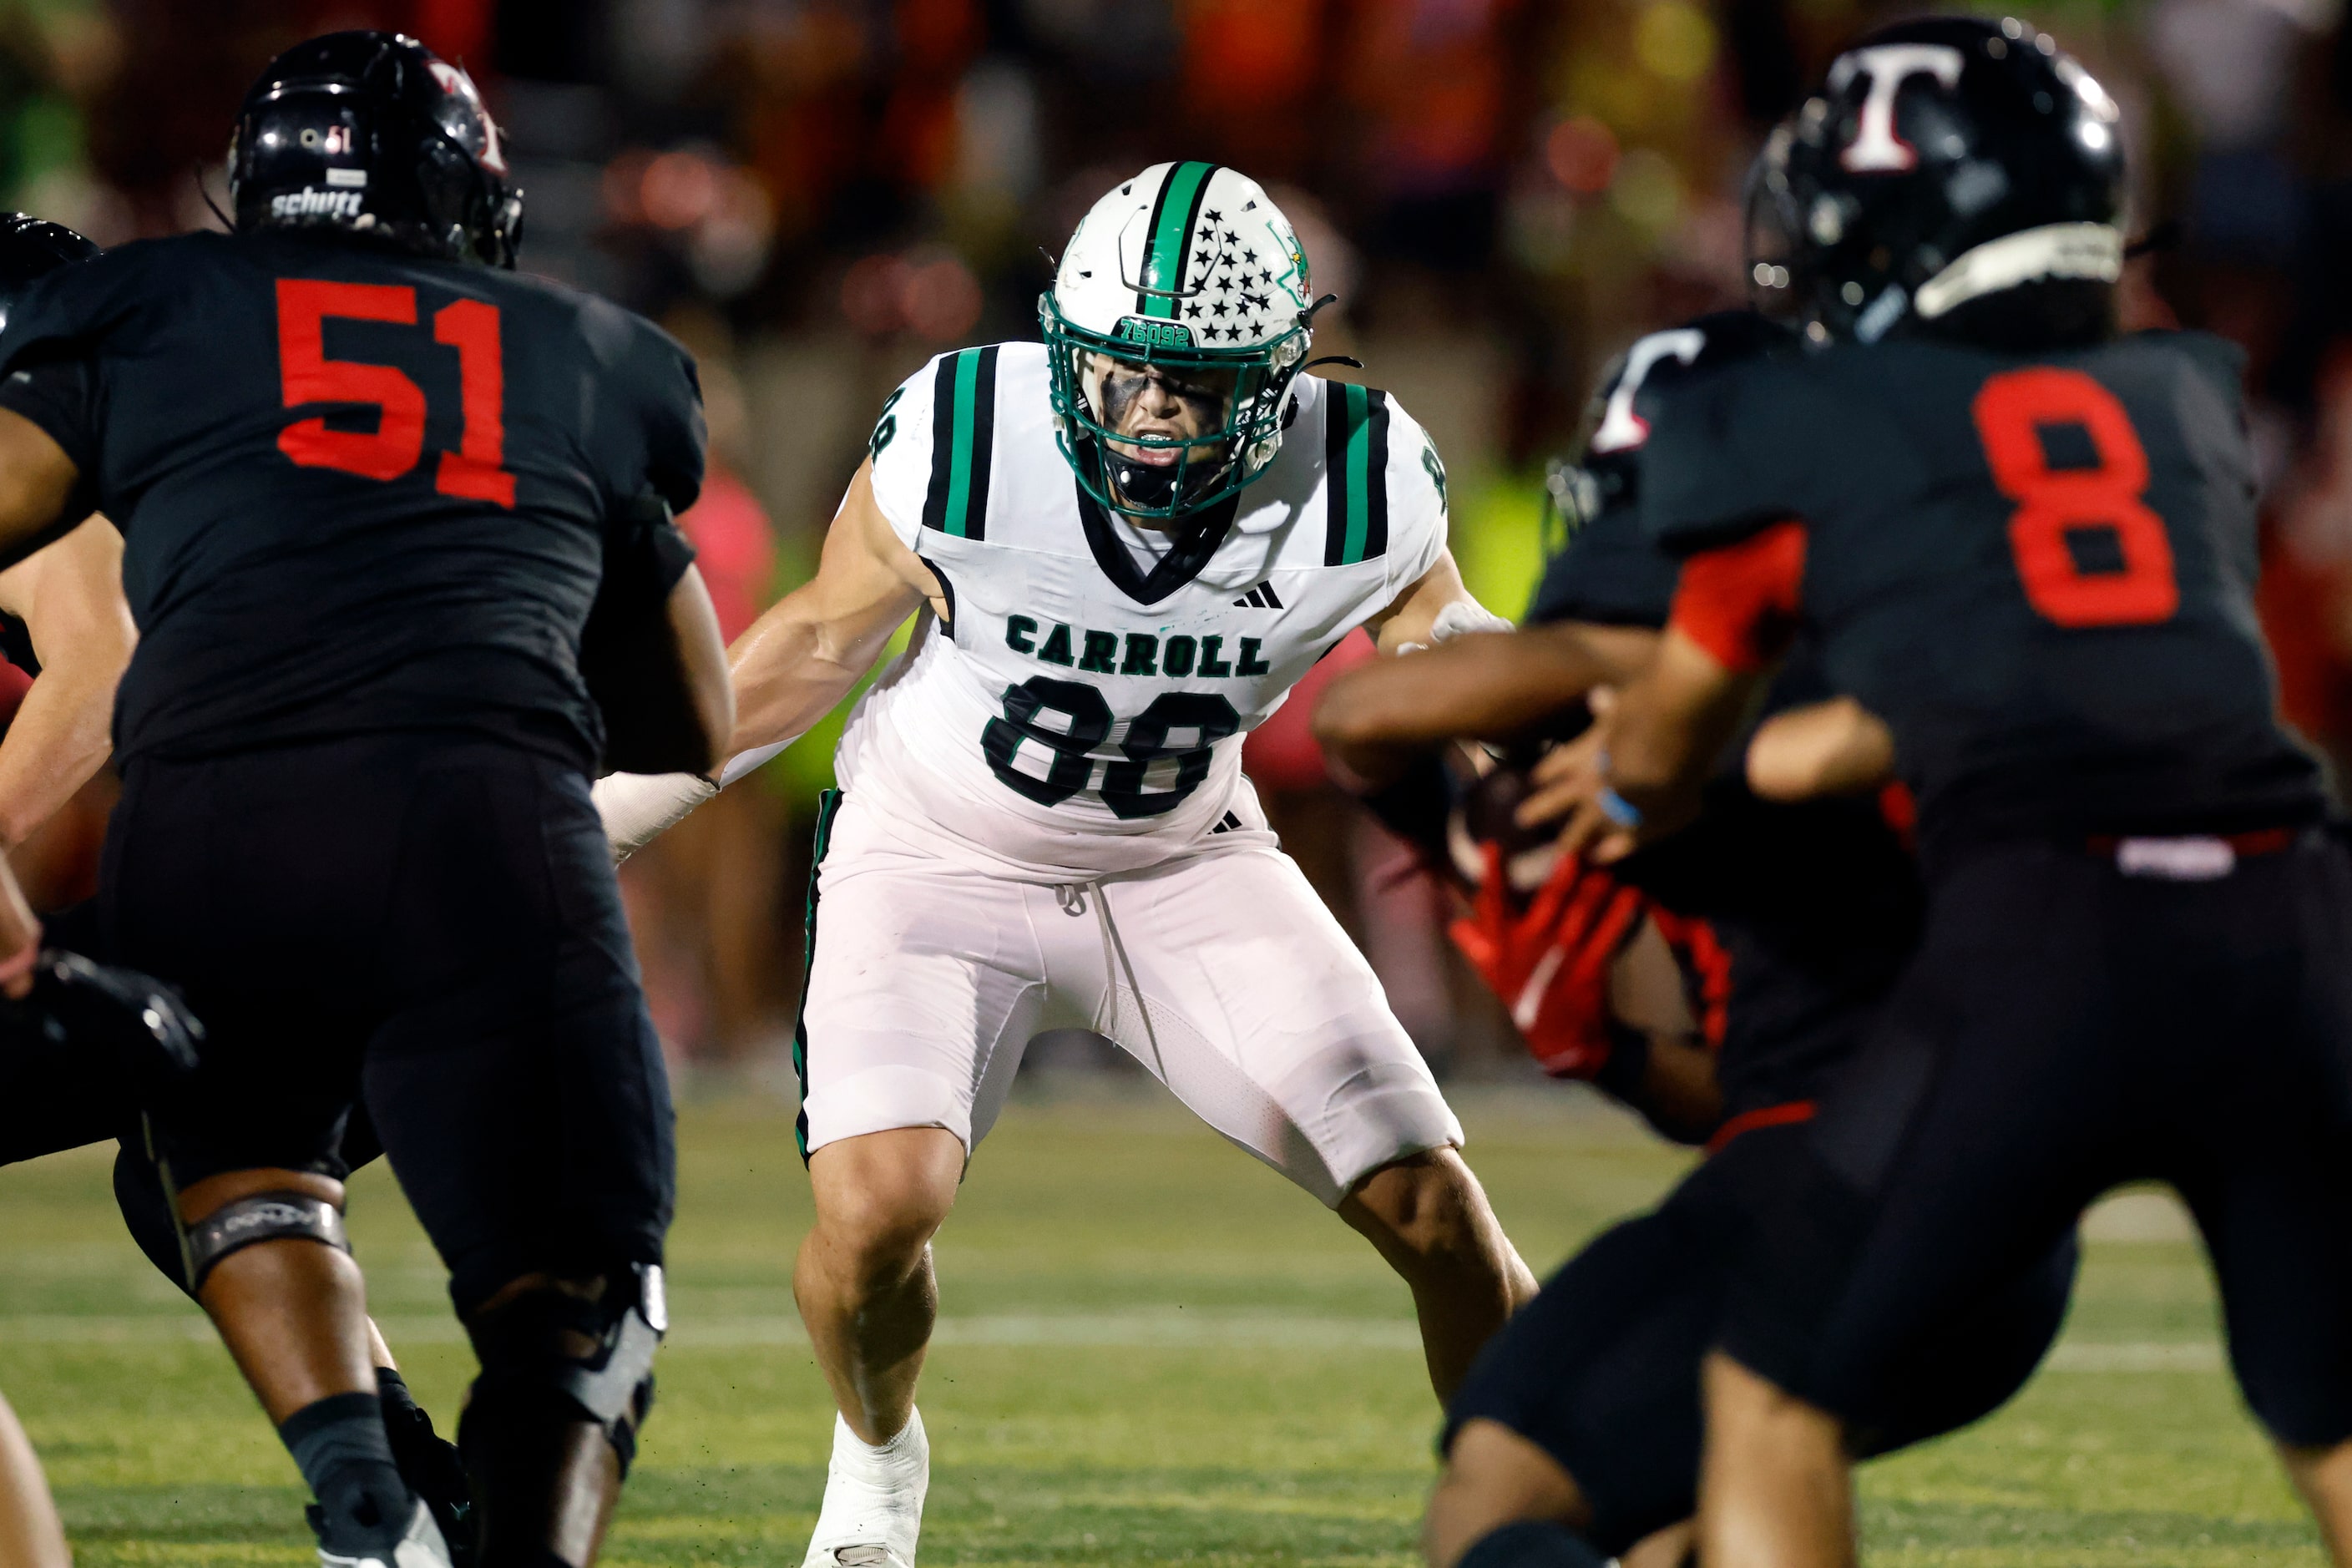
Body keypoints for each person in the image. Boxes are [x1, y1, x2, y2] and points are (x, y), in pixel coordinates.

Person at [595, 161, 1538, 1568]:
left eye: (1193, 383)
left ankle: (1541, 1515)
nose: (1151, 413)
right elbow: (808, 648)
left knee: (1438, 1212)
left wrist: (1581, 772)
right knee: (874, 1216)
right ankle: (875, 1462)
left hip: (1185, 865)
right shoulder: (968, 433)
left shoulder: (1358, 475)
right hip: (936, 849)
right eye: (1119, 375)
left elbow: (1443, 651)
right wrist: (591, 815)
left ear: (1277, 377)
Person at [1540, 19, 2352, 1566]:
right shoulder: (2180, 399)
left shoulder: (1802, 413)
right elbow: (2058, 665)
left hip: (2046, 931)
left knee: (1773, 1392)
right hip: (2293, 916)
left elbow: (1661, 749)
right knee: (2329, 1419)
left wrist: (1651, 773)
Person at [0, 32, 731, 1568]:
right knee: (572, 1307)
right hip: (487, 825)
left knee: (231, 1152)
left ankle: (367, 1494)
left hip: (216, 839)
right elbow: (692, 716)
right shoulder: (590, 347)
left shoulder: (146, 306)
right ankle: (465, 1532)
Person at [1314, 310, 2079, 1568]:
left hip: (1865, 1195)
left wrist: (1511, 838)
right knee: (1674, 1520)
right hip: (1972, 1230)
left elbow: (1370, 716)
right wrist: (1610, 1048)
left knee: (1503, 1493)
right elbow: (1739, 1091)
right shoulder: (1934, 637)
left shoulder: (1810, 687)